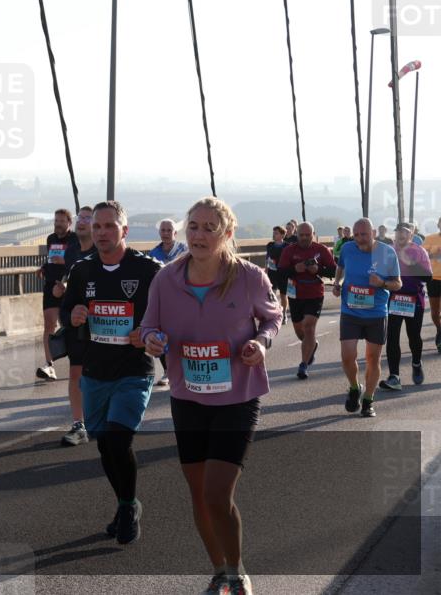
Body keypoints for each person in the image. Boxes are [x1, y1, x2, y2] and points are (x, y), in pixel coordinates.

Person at [143, 197, 281, 595]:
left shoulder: (251, 277)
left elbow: (272, 318)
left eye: (209, 228)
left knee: (217, 493)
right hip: (188, 396)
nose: (199, 235)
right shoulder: (165, 279)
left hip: (237, 395)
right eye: (194, 227)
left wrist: (261, 342)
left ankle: (237, 573)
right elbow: (149, 325)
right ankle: (219, 570)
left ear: (227, 234)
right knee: (199, 495)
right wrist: (152, 340)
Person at [60, 201, 162, 544]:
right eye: (97, 226)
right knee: (105, 446)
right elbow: (65, 311)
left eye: (109, 226)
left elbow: (168, 315)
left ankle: (130, 506)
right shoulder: (82, 270)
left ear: (124, 231)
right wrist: (72, 315)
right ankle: (123, 503)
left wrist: (149, 332)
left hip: (133, 371)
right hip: (95, 371)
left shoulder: (148, 270)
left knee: (119, 440)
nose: (101, 232)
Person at [332, 218, 402, 418]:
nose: (360, 239)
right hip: (350, 311)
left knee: (373, 358)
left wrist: (381, 283)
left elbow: (397, 283)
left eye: (364, 234)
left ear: (372, 233)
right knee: (347, 356)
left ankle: (369, 400)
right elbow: (340, 266)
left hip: (376, 313)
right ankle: (355, 387)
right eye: (356, 235)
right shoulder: (347, 249)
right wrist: (337, 283)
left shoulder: (387, 253)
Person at [51, 205, 95, 446]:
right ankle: (79, 424)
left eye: (89, 218)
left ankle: (101, 418)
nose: (82, 221)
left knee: (99, 373)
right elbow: (68, 283)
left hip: (102, 325)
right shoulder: (71, 253)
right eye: (81, 217)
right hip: (76, 323)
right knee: (76, 372)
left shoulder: (103, 253)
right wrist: (61, 291)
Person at [277, 222, 336, 379]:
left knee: (308, 327)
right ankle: (312, 345)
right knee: (300, 331)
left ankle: (303, 365)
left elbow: (334, 271)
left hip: (315, 293)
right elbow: (280, 273)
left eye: (307, 235)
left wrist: (319, 270)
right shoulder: (289, 250)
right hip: (295, 294)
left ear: (313, 234)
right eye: (301, 235)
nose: (304, 238)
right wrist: (295, 269)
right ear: (297, 235)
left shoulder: (321, 250)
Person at [381, 222, 432, 390]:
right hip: (394, 299)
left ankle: (416, 362)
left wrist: (412, 263)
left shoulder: (419, 251)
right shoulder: (388, 251)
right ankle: (394, 376)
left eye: (405, 233)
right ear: (394, 234)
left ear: (411, 235)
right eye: (398, 232)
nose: (401, 236)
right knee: (392, 337)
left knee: (414, 336)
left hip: (413, 300)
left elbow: (428, 277)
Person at [36, 208, 81, 381]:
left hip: (68, 285)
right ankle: (49, 365)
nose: (58, 224)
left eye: (62, 221)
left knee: (70, 325)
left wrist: (64, 277)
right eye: (56, 221)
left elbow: (77, 262)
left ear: (69, 223)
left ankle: (77, 362)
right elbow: (52, 259)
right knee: (49, 324)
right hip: (50, 285)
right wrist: (44, 267)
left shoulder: (75, 239)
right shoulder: (50, 239)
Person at [148, 218, 188, 387]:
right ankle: (167, 371)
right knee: (160, 336)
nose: (165, 233)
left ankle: (185, 368)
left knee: (182, 336)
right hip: (162, 301)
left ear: (175, 233)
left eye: (168, 230)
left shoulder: (184, 250)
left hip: (184, 299)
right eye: (162, 230)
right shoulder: (153, 253)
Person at [424, 217, 441, 354]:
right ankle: (439, 329)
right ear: (438, 224)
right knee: (435, 313)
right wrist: (434, 254)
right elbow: (423, 257)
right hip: (433, 279)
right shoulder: (429, 239)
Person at [266, 226, 290, 325]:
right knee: (272, 294)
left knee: (283, 295)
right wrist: (266, 270)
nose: (274, 235)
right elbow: (267, 258)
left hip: (283, 273)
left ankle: (284, 314)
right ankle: (275, 312)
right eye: (273, 232)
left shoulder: (287, 246)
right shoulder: (270, 245)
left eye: (276, 233)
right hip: (272, 272)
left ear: (282, 235)